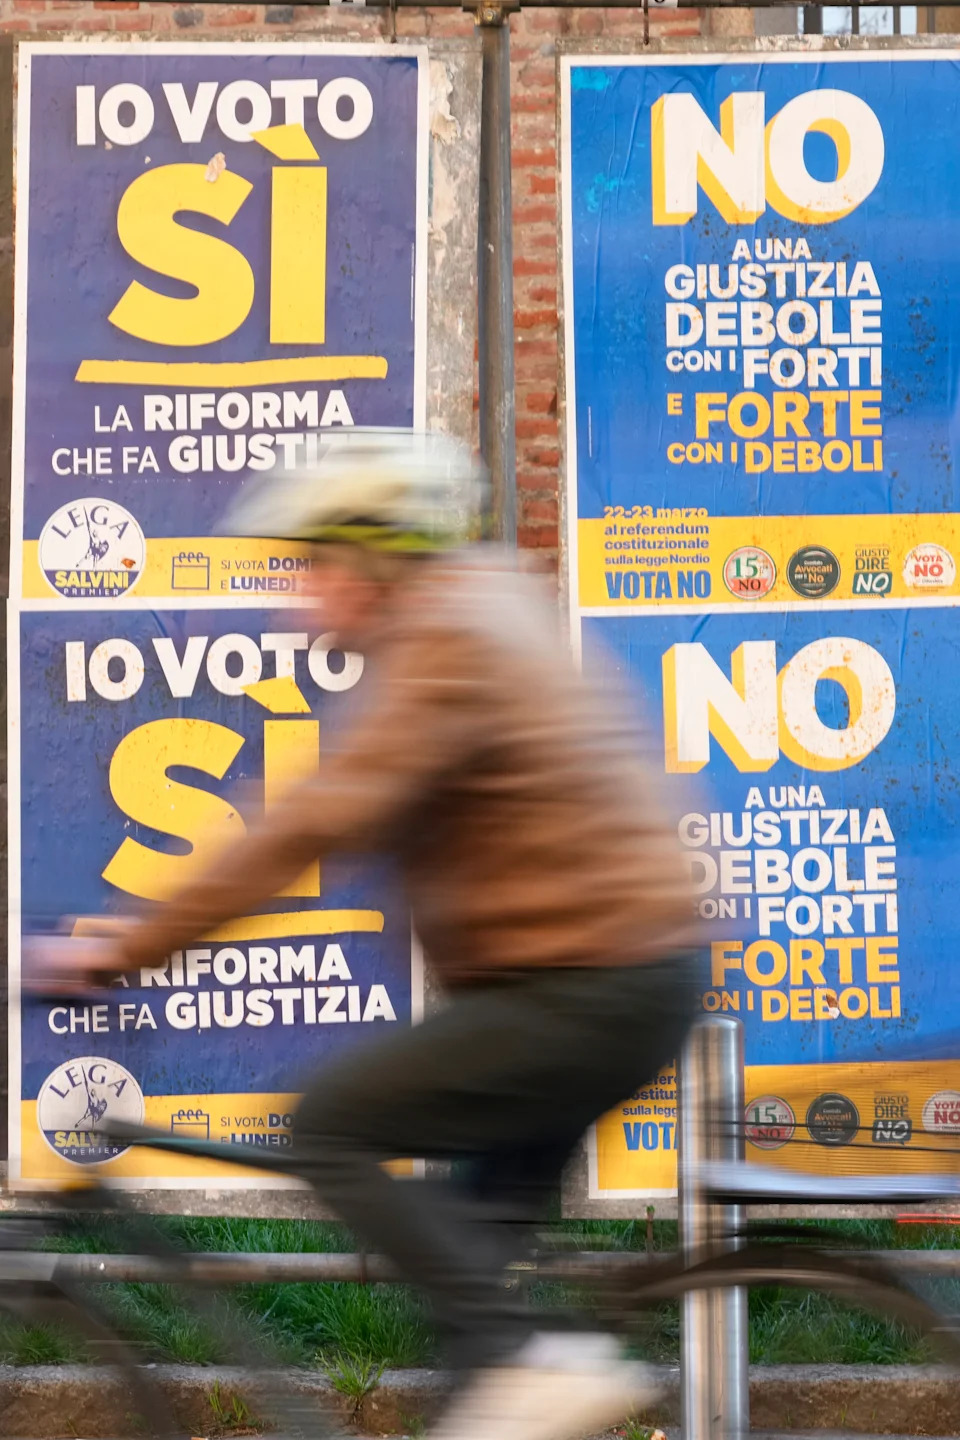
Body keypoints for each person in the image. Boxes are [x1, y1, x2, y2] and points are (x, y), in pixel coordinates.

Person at [35, 430, 701, 1440]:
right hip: (615, 979)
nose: (297, 597)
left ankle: (529, 1360)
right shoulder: (478, 612)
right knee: (471, 1294)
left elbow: (310, 822)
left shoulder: (447, 643)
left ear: (371, 561)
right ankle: (516, 1368)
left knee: (328, 1127)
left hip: (588, 988)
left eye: (311, 567)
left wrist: (120, 949)